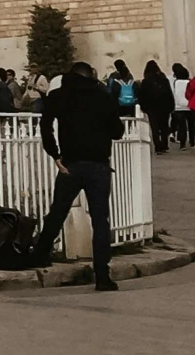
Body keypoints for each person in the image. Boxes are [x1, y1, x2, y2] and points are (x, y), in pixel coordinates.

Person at [29, 62, 124, 291]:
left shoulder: (59, 96)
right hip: (98, 165)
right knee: (101, 220)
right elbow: (117, 132)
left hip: (70, 164)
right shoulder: (103, 96)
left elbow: (45, 124)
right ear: (91, 76)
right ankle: (102, 274)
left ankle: (41, 253)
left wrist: (55, 153)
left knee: (58, 211)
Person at [137, 61, 172, 153]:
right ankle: (164, 145)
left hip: (152, 108)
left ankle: (158, 146)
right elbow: (169, 94)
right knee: (164, 126)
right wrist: (171, 106)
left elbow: (141, 96)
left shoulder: (145, 81)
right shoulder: (164, 80)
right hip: (164, 107)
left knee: (155, 127)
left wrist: (144, 107)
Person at [169, 62, 193, 149]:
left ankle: (182, 144)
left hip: (178, 106)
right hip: (189, 106)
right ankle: (192, 141)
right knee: (191, 125)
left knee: (182, 126)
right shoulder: (189, 82)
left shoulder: (176, 82)